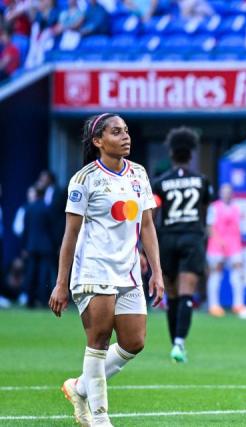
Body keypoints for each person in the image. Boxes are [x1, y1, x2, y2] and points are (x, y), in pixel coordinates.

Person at [49, 113, 164, 427]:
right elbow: (70, 235)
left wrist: (157, 271)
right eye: (116, 132)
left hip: (128, 272)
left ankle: (80, 387)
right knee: (98, 340)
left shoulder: (138, 173)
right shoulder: (84, 179)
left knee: (134, 342)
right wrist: (61, 284)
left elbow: (148, 226)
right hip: (94, 270)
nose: (125, 136)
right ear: (98, 141)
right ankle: (100, 419)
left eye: (126, 131)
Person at [151, 127, 214, 363]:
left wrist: (144, 247)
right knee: (187, 292)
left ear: (172, 154)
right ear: (190, 155)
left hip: (166, 238)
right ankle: (179, 343)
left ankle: (174, 344)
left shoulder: (160, 183)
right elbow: (208, 205)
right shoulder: (201, 181)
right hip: (191, 237)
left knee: (173, 294)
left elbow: (153, 212)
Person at [206, 183, 245, 317]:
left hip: (234, 245)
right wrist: (219, 241)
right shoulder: (214, 207)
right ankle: (213, 305)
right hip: (217, 246)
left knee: (238, 274)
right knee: (216, 273)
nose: (226, 194)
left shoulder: (237, 207)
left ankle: (238, 304)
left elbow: (238, 227)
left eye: (229, 191)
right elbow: (209, 227)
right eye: (224, 191)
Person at [21, 185, 56, 309]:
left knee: (30, 273)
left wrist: (24, 246)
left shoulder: (28, 208)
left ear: (35, 194)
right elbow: (52, 229)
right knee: (43, 274)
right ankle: (43, 300)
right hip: (46, 246)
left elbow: (25, 229)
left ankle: (30, 300)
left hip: (31, 246)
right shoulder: (47, 208)